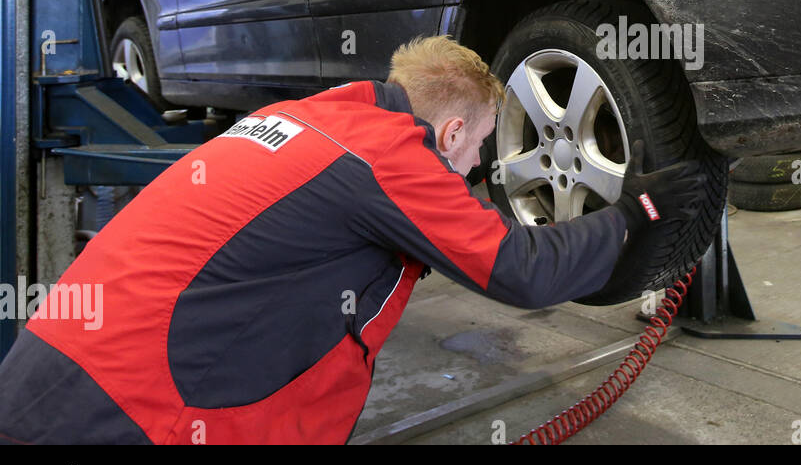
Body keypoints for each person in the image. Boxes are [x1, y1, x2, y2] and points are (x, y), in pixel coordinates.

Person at [0, 35, 703, 444]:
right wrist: (636, 210)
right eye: (482, 145)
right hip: (120, 411)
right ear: (451, 131)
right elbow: (518, 270)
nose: (481, 168)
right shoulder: (391, 156)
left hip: (51, 361)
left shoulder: (313, 119)